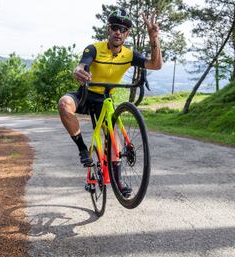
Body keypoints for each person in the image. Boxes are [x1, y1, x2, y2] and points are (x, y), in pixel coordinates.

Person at [58, 8, 162, 194]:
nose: (118, 32)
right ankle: (82, 149)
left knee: (113, 138)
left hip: (104, 99)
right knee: (64, 104)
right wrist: (78, 71)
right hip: (85, 93)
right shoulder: (94, 48)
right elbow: (82, 65)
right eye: (115, 27)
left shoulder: (130, 55)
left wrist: (154, 39)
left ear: (127, 34)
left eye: (122, 29)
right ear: (108, 29)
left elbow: (155, 65)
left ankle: (118, 181)